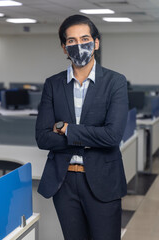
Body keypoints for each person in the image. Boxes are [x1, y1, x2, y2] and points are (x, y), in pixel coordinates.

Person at [36, 14, 128, 240]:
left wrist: (65, 129)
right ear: (64, 48)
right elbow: (43, 137)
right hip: (64, 182)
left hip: (102, 180)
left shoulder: (115, 82)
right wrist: (91, 136)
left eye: (85, 38)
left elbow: (112, 136)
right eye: (71, 41)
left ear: (96, 42)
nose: (79, 45)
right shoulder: (53, 84)